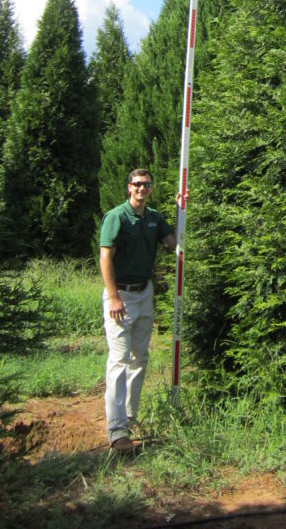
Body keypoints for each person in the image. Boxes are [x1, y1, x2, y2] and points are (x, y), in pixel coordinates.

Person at [99, 167, 176, 452]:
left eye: (146, 185)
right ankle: (117, 430)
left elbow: (174, 244)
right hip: (121, 295)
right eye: (137, 184)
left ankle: (129, 418)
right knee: (119, 360)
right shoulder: (116, 217)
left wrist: (181, 210)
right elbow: (105, 257)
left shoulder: (154, 218)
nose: (142, 188)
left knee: (139, 358)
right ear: (129, 187)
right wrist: (113, 296)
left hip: (144, 294)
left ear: (151, 189)